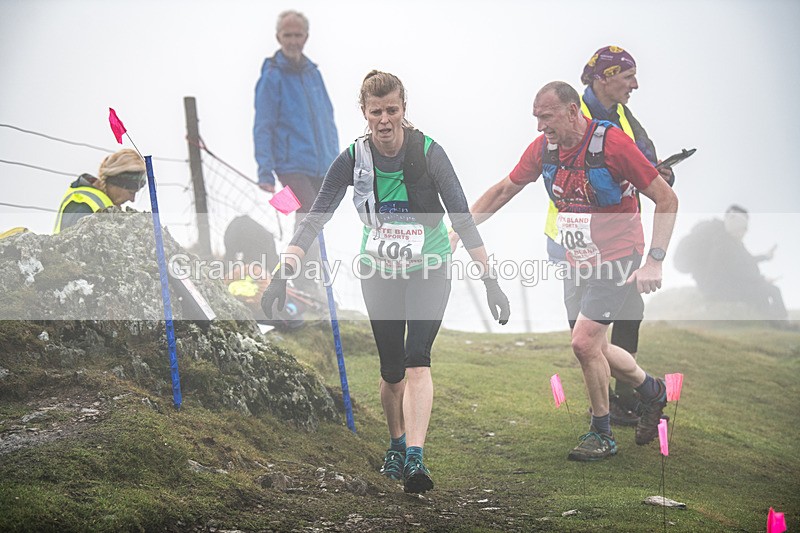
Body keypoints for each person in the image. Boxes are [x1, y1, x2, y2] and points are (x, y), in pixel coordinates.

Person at [260, 70, 510, 492]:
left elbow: (462, 219)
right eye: (376, 111)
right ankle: (395, 444)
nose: (385, 119)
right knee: (391, 370)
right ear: (364, 112)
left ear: (403, 109)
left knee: (417, 360)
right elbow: (315, 216)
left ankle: (415, 457)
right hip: (379, 273)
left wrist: (491, 281)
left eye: (392, 110)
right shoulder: (352, 159)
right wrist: (282, 274)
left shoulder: (430, 153)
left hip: (430, 268)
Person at [461, 81, 678, 461]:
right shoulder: (544, 149)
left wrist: (655, 260)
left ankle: (602, 433)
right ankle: (653, 391)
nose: (540, 126)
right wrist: (460, 231)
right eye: (536, 118)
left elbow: (666, 197)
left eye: (547, 117)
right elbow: (503, 190)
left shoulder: (612, 144)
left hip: (617, 256)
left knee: (582, 343)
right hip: (575, 259)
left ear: (573, 110)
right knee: (597, 347)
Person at [544, 46, 677, 427]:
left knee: (625, 318)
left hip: (621, 242)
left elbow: (652, 166)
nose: (635, 84)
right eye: (628, 76)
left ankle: (624, 402)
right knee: (586, 338)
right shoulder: (571, 115)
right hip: (570, 241)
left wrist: (660, 175)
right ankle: (638, 393)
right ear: (604, 77)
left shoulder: (624, 117)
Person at [253, 10, 338, 297]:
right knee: (308, 215)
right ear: (278, 37)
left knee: (315, 217)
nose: (292, 40)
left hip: (322, 163)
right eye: (287, 35)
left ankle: (309, 282)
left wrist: (338, 163)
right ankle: (304, 283)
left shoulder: (313, 73)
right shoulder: (272, 76)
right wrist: (265, 170)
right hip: (290, 163)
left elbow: (328, 117)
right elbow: (263, 124)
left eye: (297, 35)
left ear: (306, 37)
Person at [675, 205, 786, 320]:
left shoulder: (725, 237)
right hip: (718, 289)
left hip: (717, 285)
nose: (744, 232)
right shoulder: (722, 242)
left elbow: (745, 260)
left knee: (762, 292)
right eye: (743, 226)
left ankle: (769, 321)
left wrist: (765, 257)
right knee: (772, 290)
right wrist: (762, 280)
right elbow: (736, 268)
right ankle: (781, 323)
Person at [53, 148, 145, 233]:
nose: (132, 199)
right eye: (131, 192)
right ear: (115, 183)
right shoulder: (82, 204)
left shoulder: (104, 203)